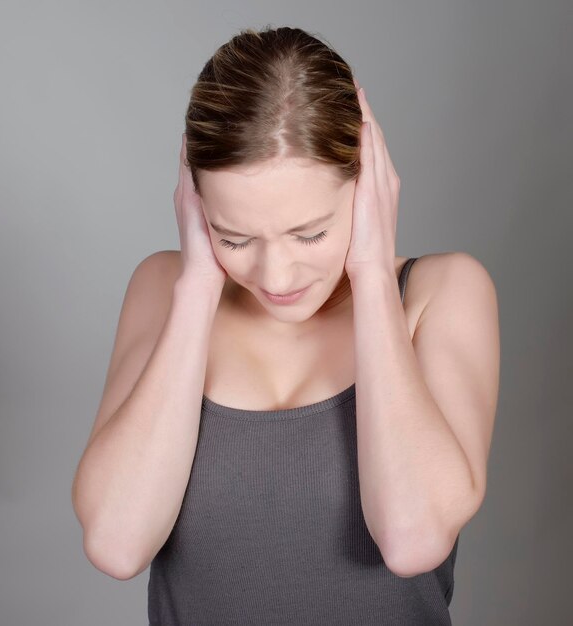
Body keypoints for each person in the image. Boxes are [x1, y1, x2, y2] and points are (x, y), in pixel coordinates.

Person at [71, 26, 500, 625]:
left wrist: (373, 275)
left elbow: (413, 538)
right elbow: (117, 544)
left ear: (368, 184)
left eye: (311, 233)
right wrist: (198, 285)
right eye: (236, 237)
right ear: (195, 206)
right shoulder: (164, 289)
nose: (276, 274)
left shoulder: (442, 293)